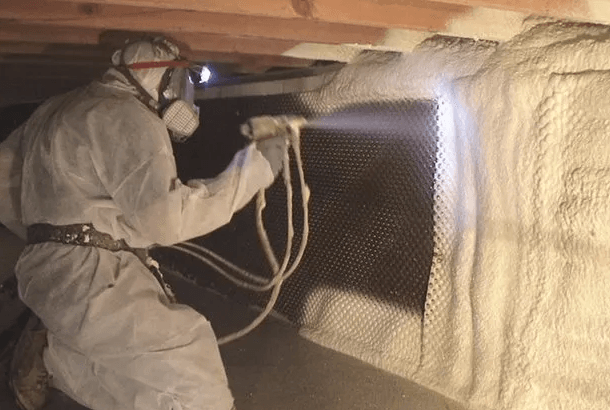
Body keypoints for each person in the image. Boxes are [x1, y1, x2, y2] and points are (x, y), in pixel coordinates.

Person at [1, 37, 288, 410]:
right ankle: (56, 355)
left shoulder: (55, 108)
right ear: (163, 79)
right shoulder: (129, 116)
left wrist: (52, 237)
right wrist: (255, 170)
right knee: (189, 365)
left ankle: (54, 356)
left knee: (127, 375)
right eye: (183, 81)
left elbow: (4, 182)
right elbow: (166, 221)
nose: (185, 95)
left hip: (44, 273)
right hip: (93, 279)